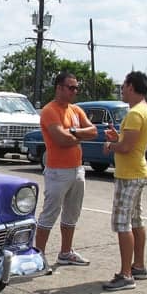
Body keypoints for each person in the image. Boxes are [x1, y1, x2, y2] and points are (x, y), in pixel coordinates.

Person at [35, 72, 97, 267]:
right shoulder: (49, 110)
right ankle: (38, 256)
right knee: (49, 213)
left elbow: (94, 131)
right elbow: (60, 140)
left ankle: (65, 252)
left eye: (76, 88)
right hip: (57, 171)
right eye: (71, 87)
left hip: (77, 169)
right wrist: (78, 135)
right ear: (59, 88)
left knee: (72, 213)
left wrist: (72, 132)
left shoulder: (76, 110)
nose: (75, 91)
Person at [102, 71, 147, 291]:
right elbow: (131, 142)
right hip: (138, 171)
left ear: (132, 87)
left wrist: (111, 146)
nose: (121, 90)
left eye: (123, 86)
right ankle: (138, 266)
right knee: (136, 220)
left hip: (129, 174)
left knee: (122, 223)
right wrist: (118, 138)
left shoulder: (135, 114)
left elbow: (127, 148)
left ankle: (126, 275)